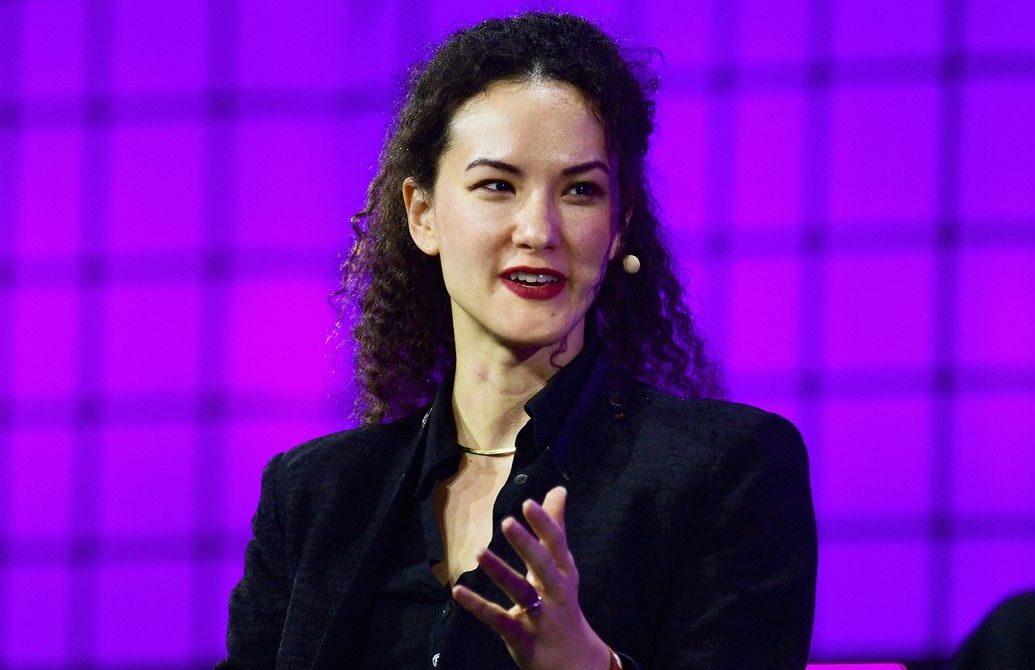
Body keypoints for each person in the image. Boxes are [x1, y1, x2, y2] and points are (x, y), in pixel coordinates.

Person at [220, 12, 817, 670]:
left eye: (581, 191)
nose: (538, 229)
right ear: (423, 214)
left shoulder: (725, 471)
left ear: (619, 227)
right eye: (497, 186)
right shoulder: (315, 493)